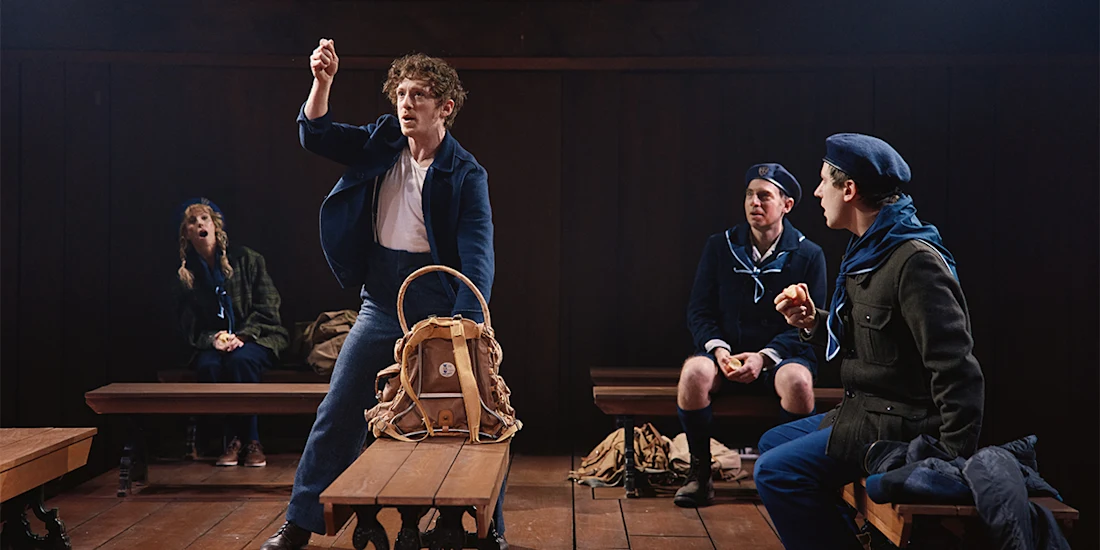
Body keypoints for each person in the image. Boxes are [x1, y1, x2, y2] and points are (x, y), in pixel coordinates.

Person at [261, 40, 505, 549]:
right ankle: (300, 524)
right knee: (339, 407)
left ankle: (488, 533)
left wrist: (465, 323)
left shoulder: (465, 173)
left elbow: (477, 254)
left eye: (419, 95)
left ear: (446, 107)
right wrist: (323, 81)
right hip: (380, 301)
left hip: (441, 304)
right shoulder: (383, 139)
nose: (406, 103)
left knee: (471, 411)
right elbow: (316, 135)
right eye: (401, 93)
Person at [757, 133, 985, 549]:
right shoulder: (869, 249)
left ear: (849, 189)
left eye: (824, 180)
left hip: (898, 425)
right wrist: (813, 320)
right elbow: (871, 335)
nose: (816, 191)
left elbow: (959, 371)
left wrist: (951, 461)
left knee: (775, 471)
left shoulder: (913, 261)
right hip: (863, 410)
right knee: (771, 443)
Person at [674, 163, 827, 508]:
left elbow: (809, 323)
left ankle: (789, 476)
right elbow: (698, 311)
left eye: (764, 196)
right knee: (693, 374)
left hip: (780, 356)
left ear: (786, 205)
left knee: (799, 382)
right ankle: (700, 473)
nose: (754, 203)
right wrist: (719, 351)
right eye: (749, 196)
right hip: (724, 355)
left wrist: (764, 356)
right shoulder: (719, 246)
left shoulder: (808, 254)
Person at [175, 197, 289, 468]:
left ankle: (251, 441)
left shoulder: (248, 260)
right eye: (193, 221)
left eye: (204, 218)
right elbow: (187, 326)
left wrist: (243, 335)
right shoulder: (186, 275)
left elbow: (268, 307)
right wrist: (213, 339)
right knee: (210, 367)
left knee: (242, 360)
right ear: (186, 233)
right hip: (214, 345)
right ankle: (230, 440)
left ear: (215, 226)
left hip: (257, 337)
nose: (199, 224)